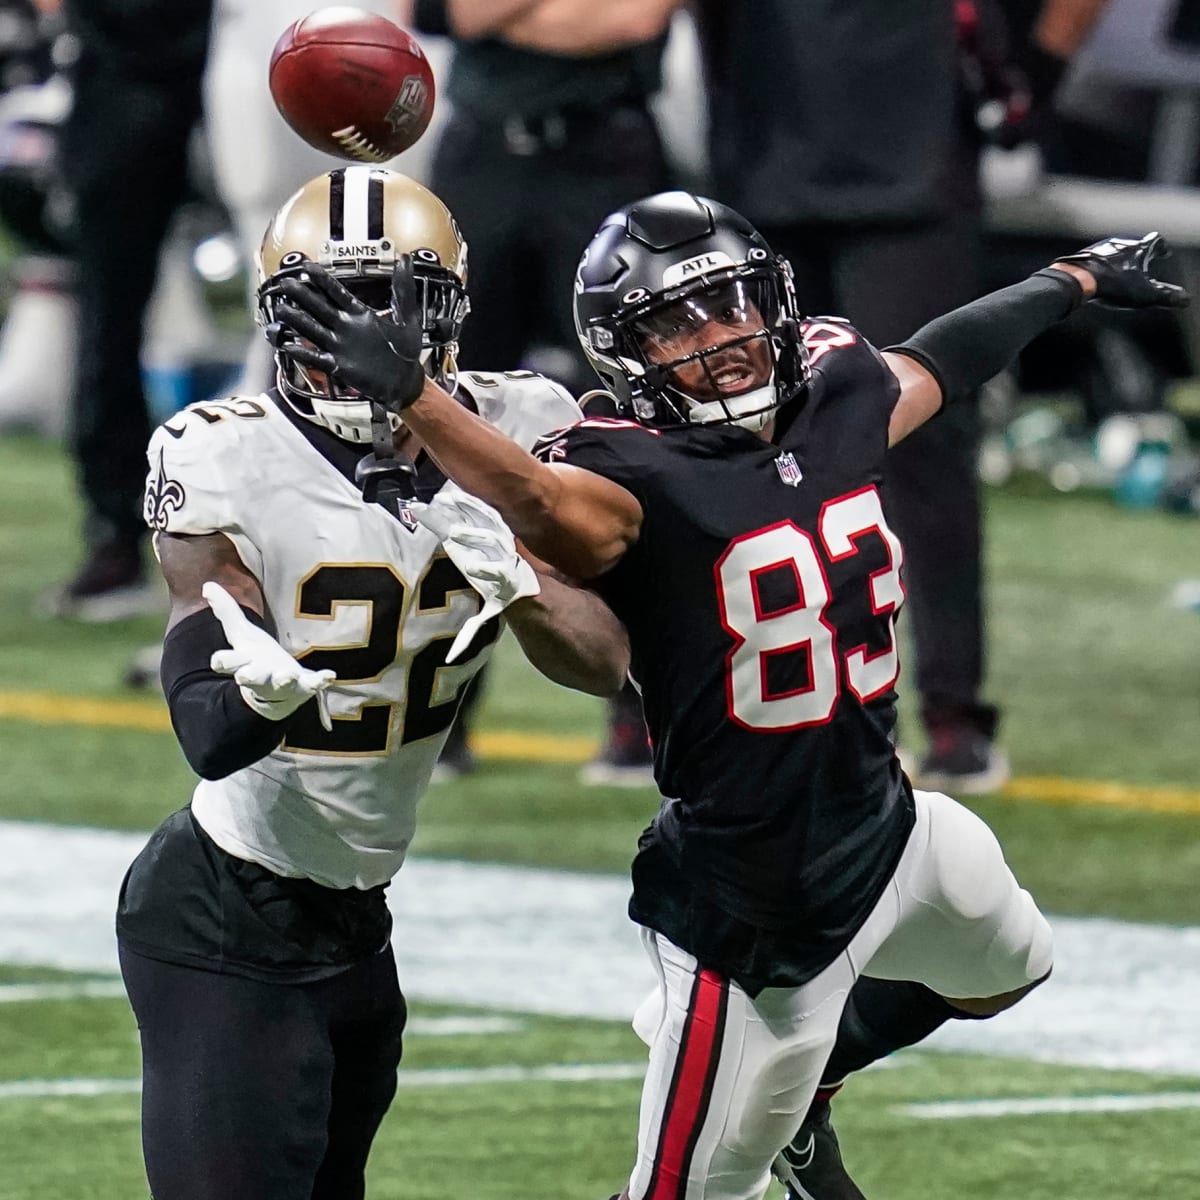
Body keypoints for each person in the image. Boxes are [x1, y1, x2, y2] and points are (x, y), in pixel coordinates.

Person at [271, 191, 1186, 1200]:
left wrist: (1071, 280)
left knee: (1009, 965)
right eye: (681, 323)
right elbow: (537, 504)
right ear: (628, 352)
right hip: (753, 910)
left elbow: (943, 358)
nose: (725, 339)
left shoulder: (839, 389)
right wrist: (416, 397)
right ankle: (775, 1104)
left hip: (888, 830)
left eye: (736, 304)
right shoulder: (627, 467)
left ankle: (805, 1105)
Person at [117, 165, 630, 1200]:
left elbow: (609, 662)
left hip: (357, 919)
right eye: (330, 309)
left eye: (392, 305)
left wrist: (518, 572)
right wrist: (249, 698)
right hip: (225, 906)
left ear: (449, 310)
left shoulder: (521, 428)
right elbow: (207, 723)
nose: (363, 343)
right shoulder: (221, 452)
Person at [692, 0, 1113, 795]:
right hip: (765, 156)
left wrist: (1034, 77)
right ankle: (736, 704)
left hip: (910, 168)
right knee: (734, 447)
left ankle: (953, 713)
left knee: (919, 446)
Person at [401, 0, 684, 782]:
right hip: (481, 156)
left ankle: (643, 703)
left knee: (645, 426)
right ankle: (441, 698)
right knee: (441, 420)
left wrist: (497, 17)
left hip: (606, 152)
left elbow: (631, 18)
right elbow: (436, 12)